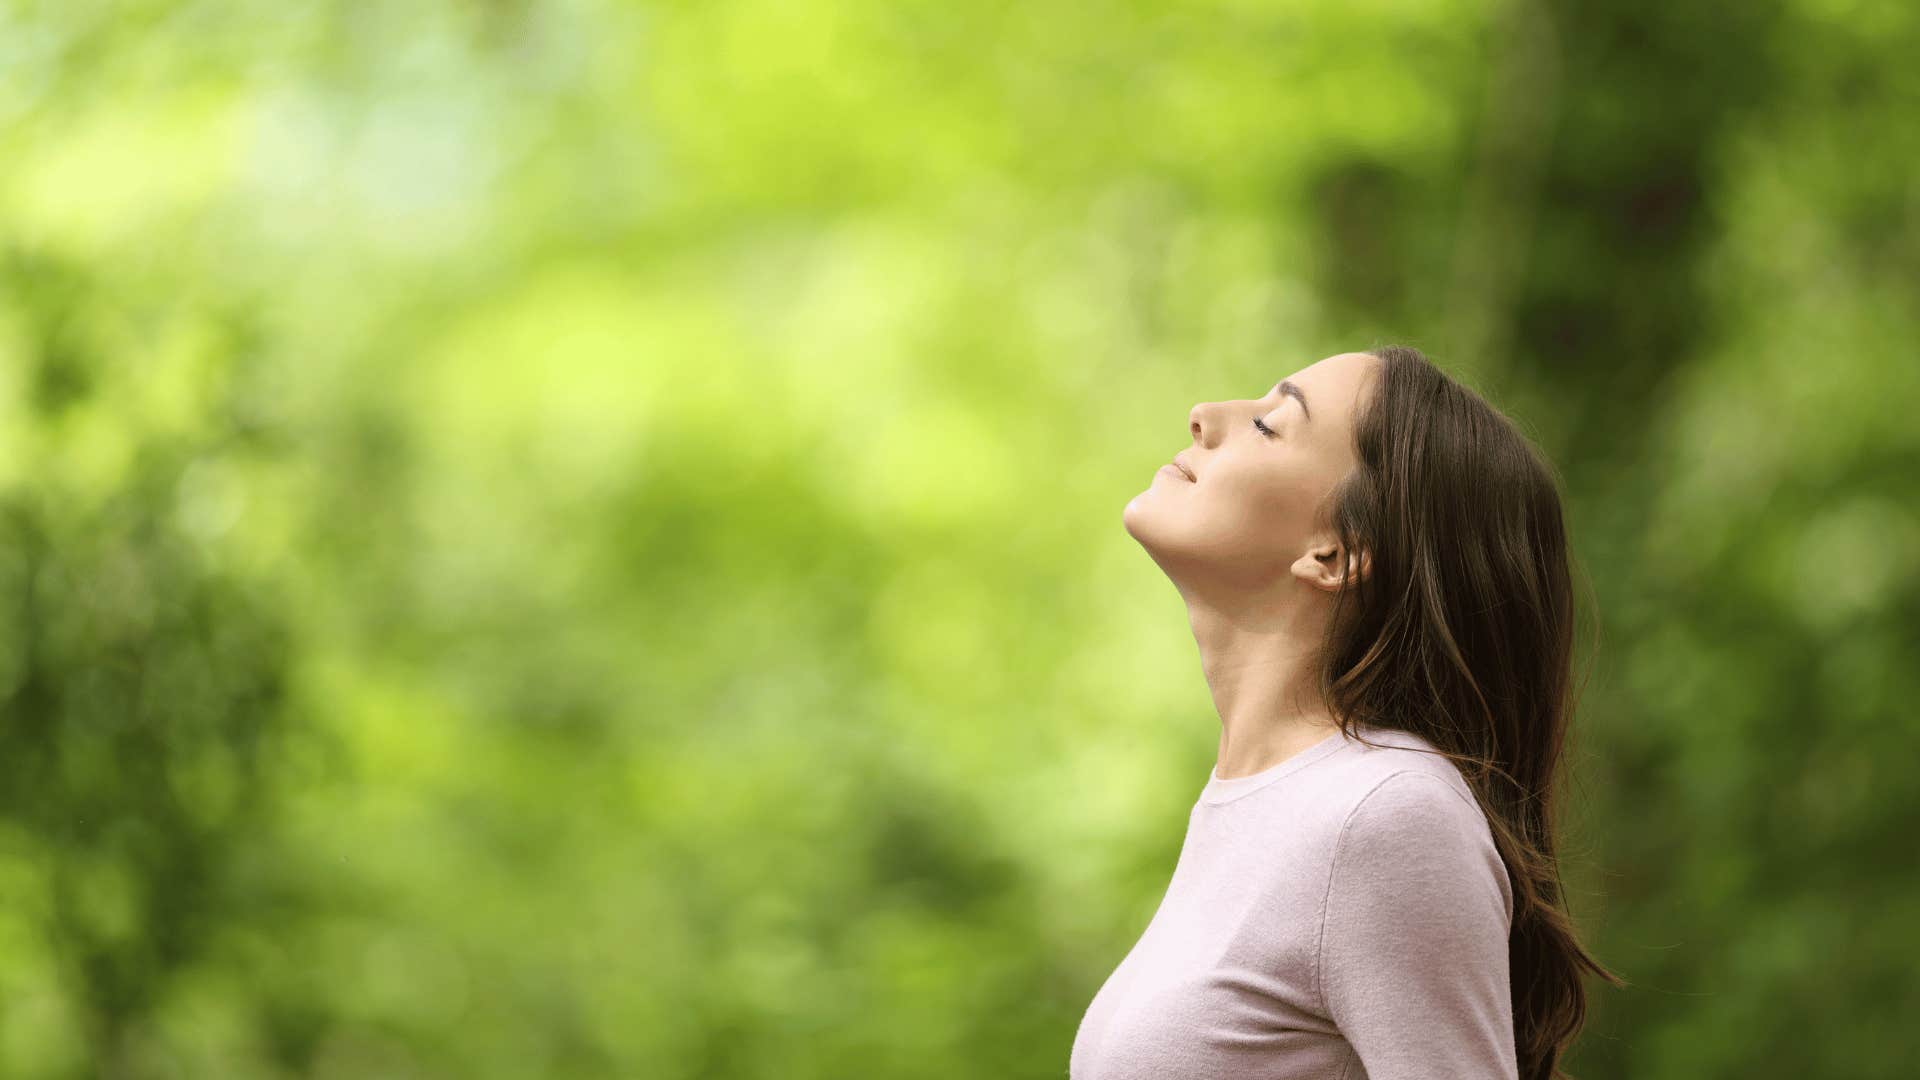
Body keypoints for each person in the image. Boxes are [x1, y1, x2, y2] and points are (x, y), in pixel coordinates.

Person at [1073, 346, 1623, 1080]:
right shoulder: (1266, 806)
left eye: (1270, 425)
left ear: (1336, 553)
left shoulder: (1385, 814)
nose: (1204, 417)